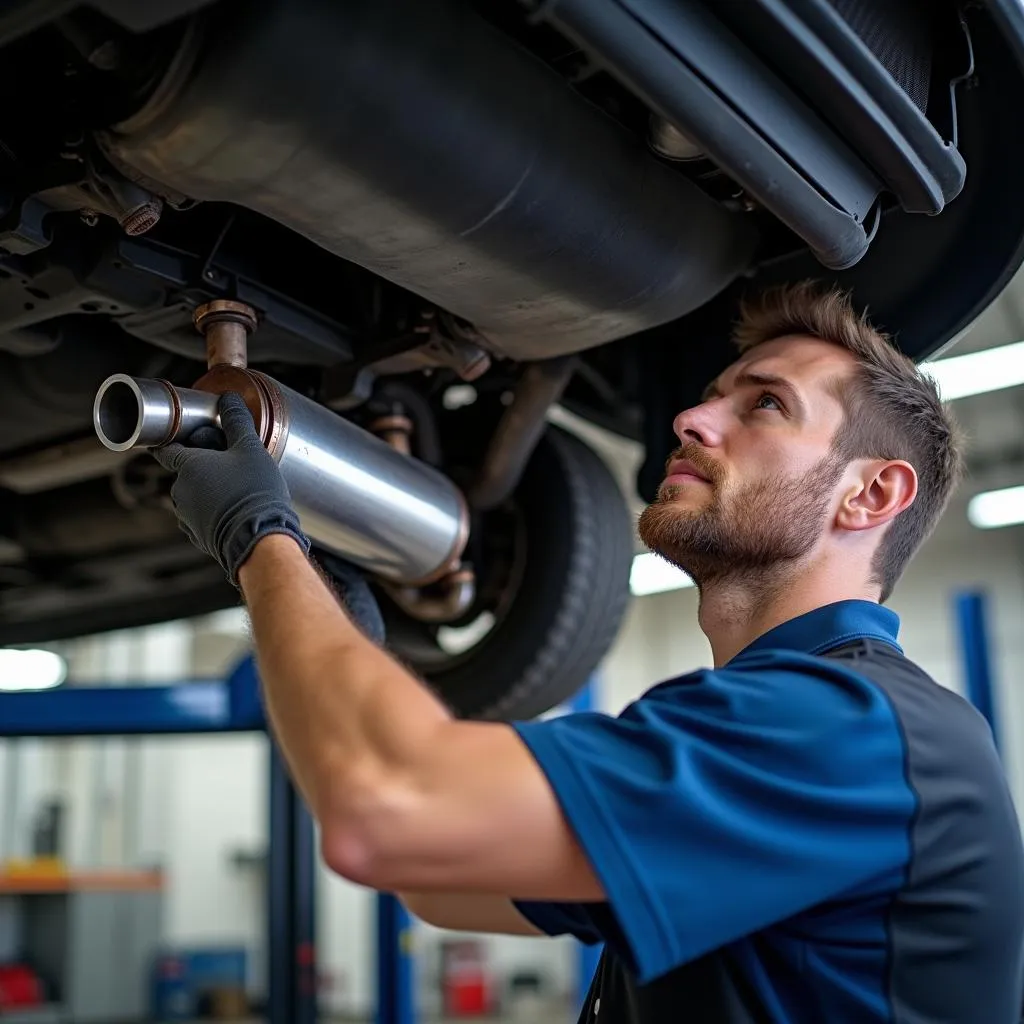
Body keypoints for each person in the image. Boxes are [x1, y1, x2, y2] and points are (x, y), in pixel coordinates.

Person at [152, 281, 1024, 1023]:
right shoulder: (799, 723)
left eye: (763, 403)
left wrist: (262, 541)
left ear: (873, 492)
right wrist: (329, 623)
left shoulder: (849, 729)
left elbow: (387, 814)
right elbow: (438, 879)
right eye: (713, 393)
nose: (689, 418)